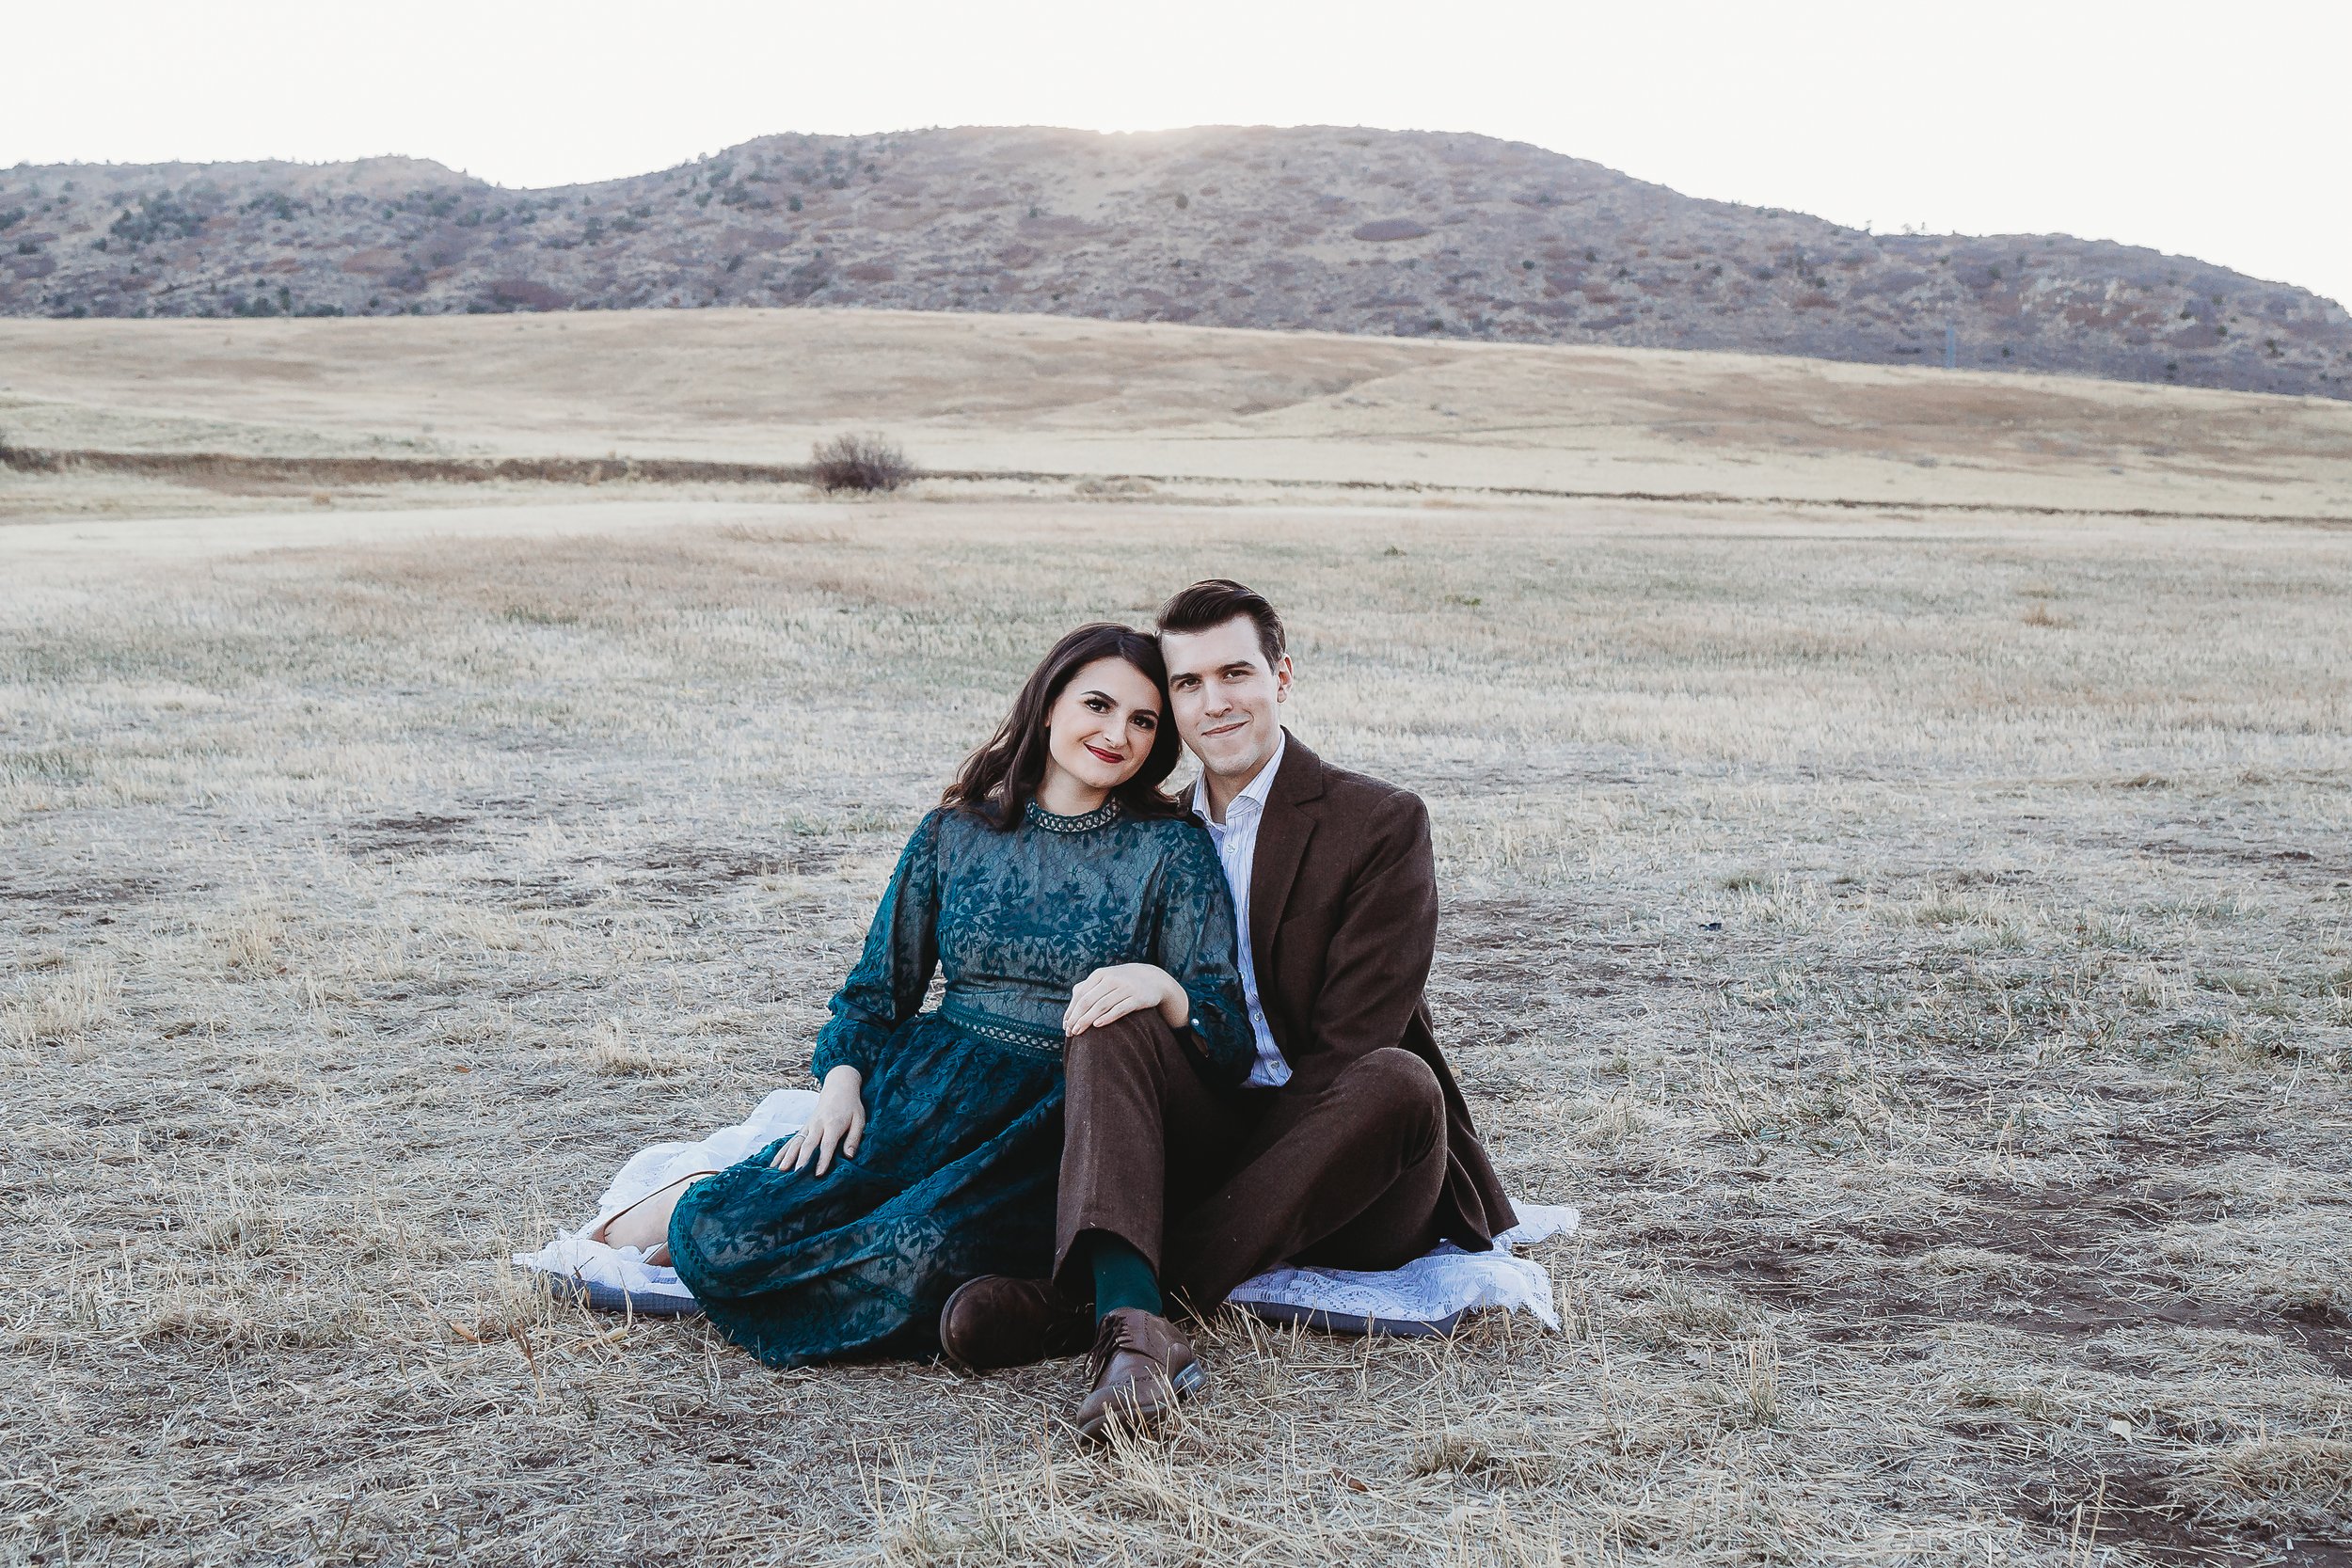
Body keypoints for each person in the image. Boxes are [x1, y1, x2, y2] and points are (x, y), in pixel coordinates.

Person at [591, 623, 1252, 1372]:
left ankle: (1052, 1302)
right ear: (1046, 705)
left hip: (1055, 1121)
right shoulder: (955, 832)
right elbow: (874, 993)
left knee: (915, 1253)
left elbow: (1224, 1031)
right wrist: (841, 1084)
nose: (1117, 734)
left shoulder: (1171, 849)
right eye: (1097, 705)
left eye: (1142, 721)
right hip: (926, 1092)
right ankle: (719, 1203)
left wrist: (1161, 985)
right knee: (717, 1230)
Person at [940, 581, 1518, 1435]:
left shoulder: (1379, 822)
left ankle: (1085, 1309)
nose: (1214, 703)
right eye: (1186, 684)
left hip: (1352, 1164)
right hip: (1209, 1123)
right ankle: (1137, 1335)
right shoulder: (1151, 831)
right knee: (1111, 1008)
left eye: (1234, 673)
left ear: (1281, 676)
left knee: (1397, 1078)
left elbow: (1349, 1046)